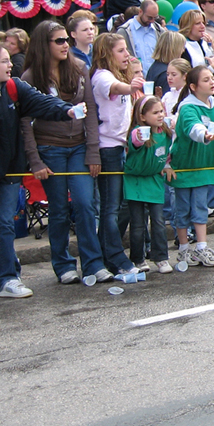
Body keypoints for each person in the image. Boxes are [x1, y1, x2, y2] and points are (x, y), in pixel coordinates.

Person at [0, 43, 78, 298]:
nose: (10, 65)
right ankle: (7, 277)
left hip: (11, 171)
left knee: (4, 223)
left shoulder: (14, 87)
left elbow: (41, 102)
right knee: (0, 224)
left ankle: (7, 275)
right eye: (4, 61)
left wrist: (66, 110)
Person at [21, 19, 107, 285]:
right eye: (59, 41)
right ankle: (63, 265)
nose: (65, 45)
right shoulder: (29, 78)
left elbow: (91, 111)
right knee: (58, 209)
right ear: (43, 45)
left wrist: (93, 152)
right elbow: (24, 124)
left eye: (66, 40)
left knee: (84, 204)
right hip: (50, 148)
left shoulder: (80, 68)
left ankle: (93, 263)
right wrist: (34, 160)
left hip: (79, 146)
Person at [90, 32, 145, 277]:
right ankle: (114, 257)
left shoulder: (115, 74)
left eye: (126, 50)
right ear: (107, 54)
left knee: (119, 204)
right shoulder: (102, 76)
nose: (127, 55)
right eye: (121, 51)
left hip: (120, 145)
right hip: (107, 148)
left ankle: (106, 250)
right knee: (110, 207)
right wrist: (130, 86)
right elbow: (114, 88)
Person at [169, 64, 214, 266]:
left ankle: (201, 247)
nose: (211, 83)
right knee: (182, 209)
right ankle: (184, 249)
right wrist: (205, 135)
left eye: (212, 78)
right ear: (193, 86)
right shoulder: (187, 107)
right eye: (206, 80)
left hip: (206, 165)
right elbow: (194, 127)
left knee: (200, 206)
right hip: (185, 165)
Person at [124, 96, 175, 273]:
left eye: (161, 111)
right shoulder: (139, 132)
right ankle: (138, 259)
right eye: (155, 113)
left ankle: (161, 257)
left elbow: (166, 154)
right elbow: (136, 140)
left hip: (154, 179)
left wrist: (167, 166)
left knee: (159, 221)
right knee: (138, 224)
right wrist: (139, 136)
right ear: (143, 117)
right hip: (136, 181)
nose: (160, 115)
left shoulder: (165, 132)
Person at [120, 0, 162, 76]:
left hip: (155, 78)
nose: (152, 21)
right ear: (140, 12)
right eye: (149, 18)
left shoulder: (158, 30)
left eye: (155, 18)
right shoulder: (125, 31)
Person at [146, 29, 186, 94]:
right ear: (174, 49)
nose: (183, 50)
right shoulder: (165, 74)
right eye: (182, 47)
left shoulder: (155, 67)